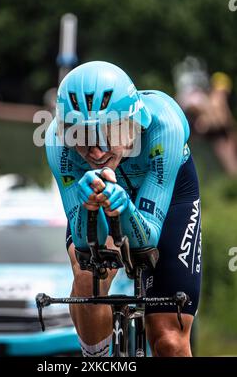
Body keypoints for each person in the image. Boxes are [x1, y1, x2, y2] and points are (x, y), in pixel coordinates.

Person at [45, 61, 201, 357]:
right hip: (95, 191)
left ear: (133, 123)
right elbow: (83, 245)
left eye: (107, 134)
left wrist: (126, 209)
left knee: (169, 339)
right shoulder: (57, 143)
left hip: (168, 192)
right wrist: (90, 208)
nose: (97, 152)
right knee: (89, 271)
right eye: (83, 138)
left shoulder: (165, 125)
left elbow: (148, 240)